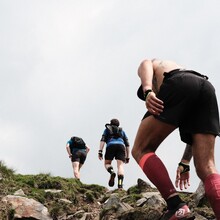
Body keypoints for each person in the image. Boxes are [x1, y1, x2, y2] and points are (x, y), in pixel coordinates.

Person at [132, 58, 220, 219]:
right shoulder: (185, 93)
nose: (157, 94)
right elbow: (193, 135)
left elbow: (145, 63)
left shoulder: (159, 68)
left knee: (140, 149)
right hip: (206, 89)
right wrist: (185, 162)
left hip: (179, 81)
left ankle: (176, 206)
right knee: (206, 167)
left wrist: (147, 90)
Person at [98, 118, 130, 189]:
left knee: (107, 163)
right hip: (121, 146)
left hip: (110, 145)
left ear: (110, 123)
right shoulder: (122, 131)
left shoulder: (107, 130)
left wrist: (100, 151)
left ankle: (112, 172)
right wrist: (128, 156)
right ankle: (120, 185)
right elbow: (127, 144)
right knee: (120, 166)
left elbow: (102, 140)